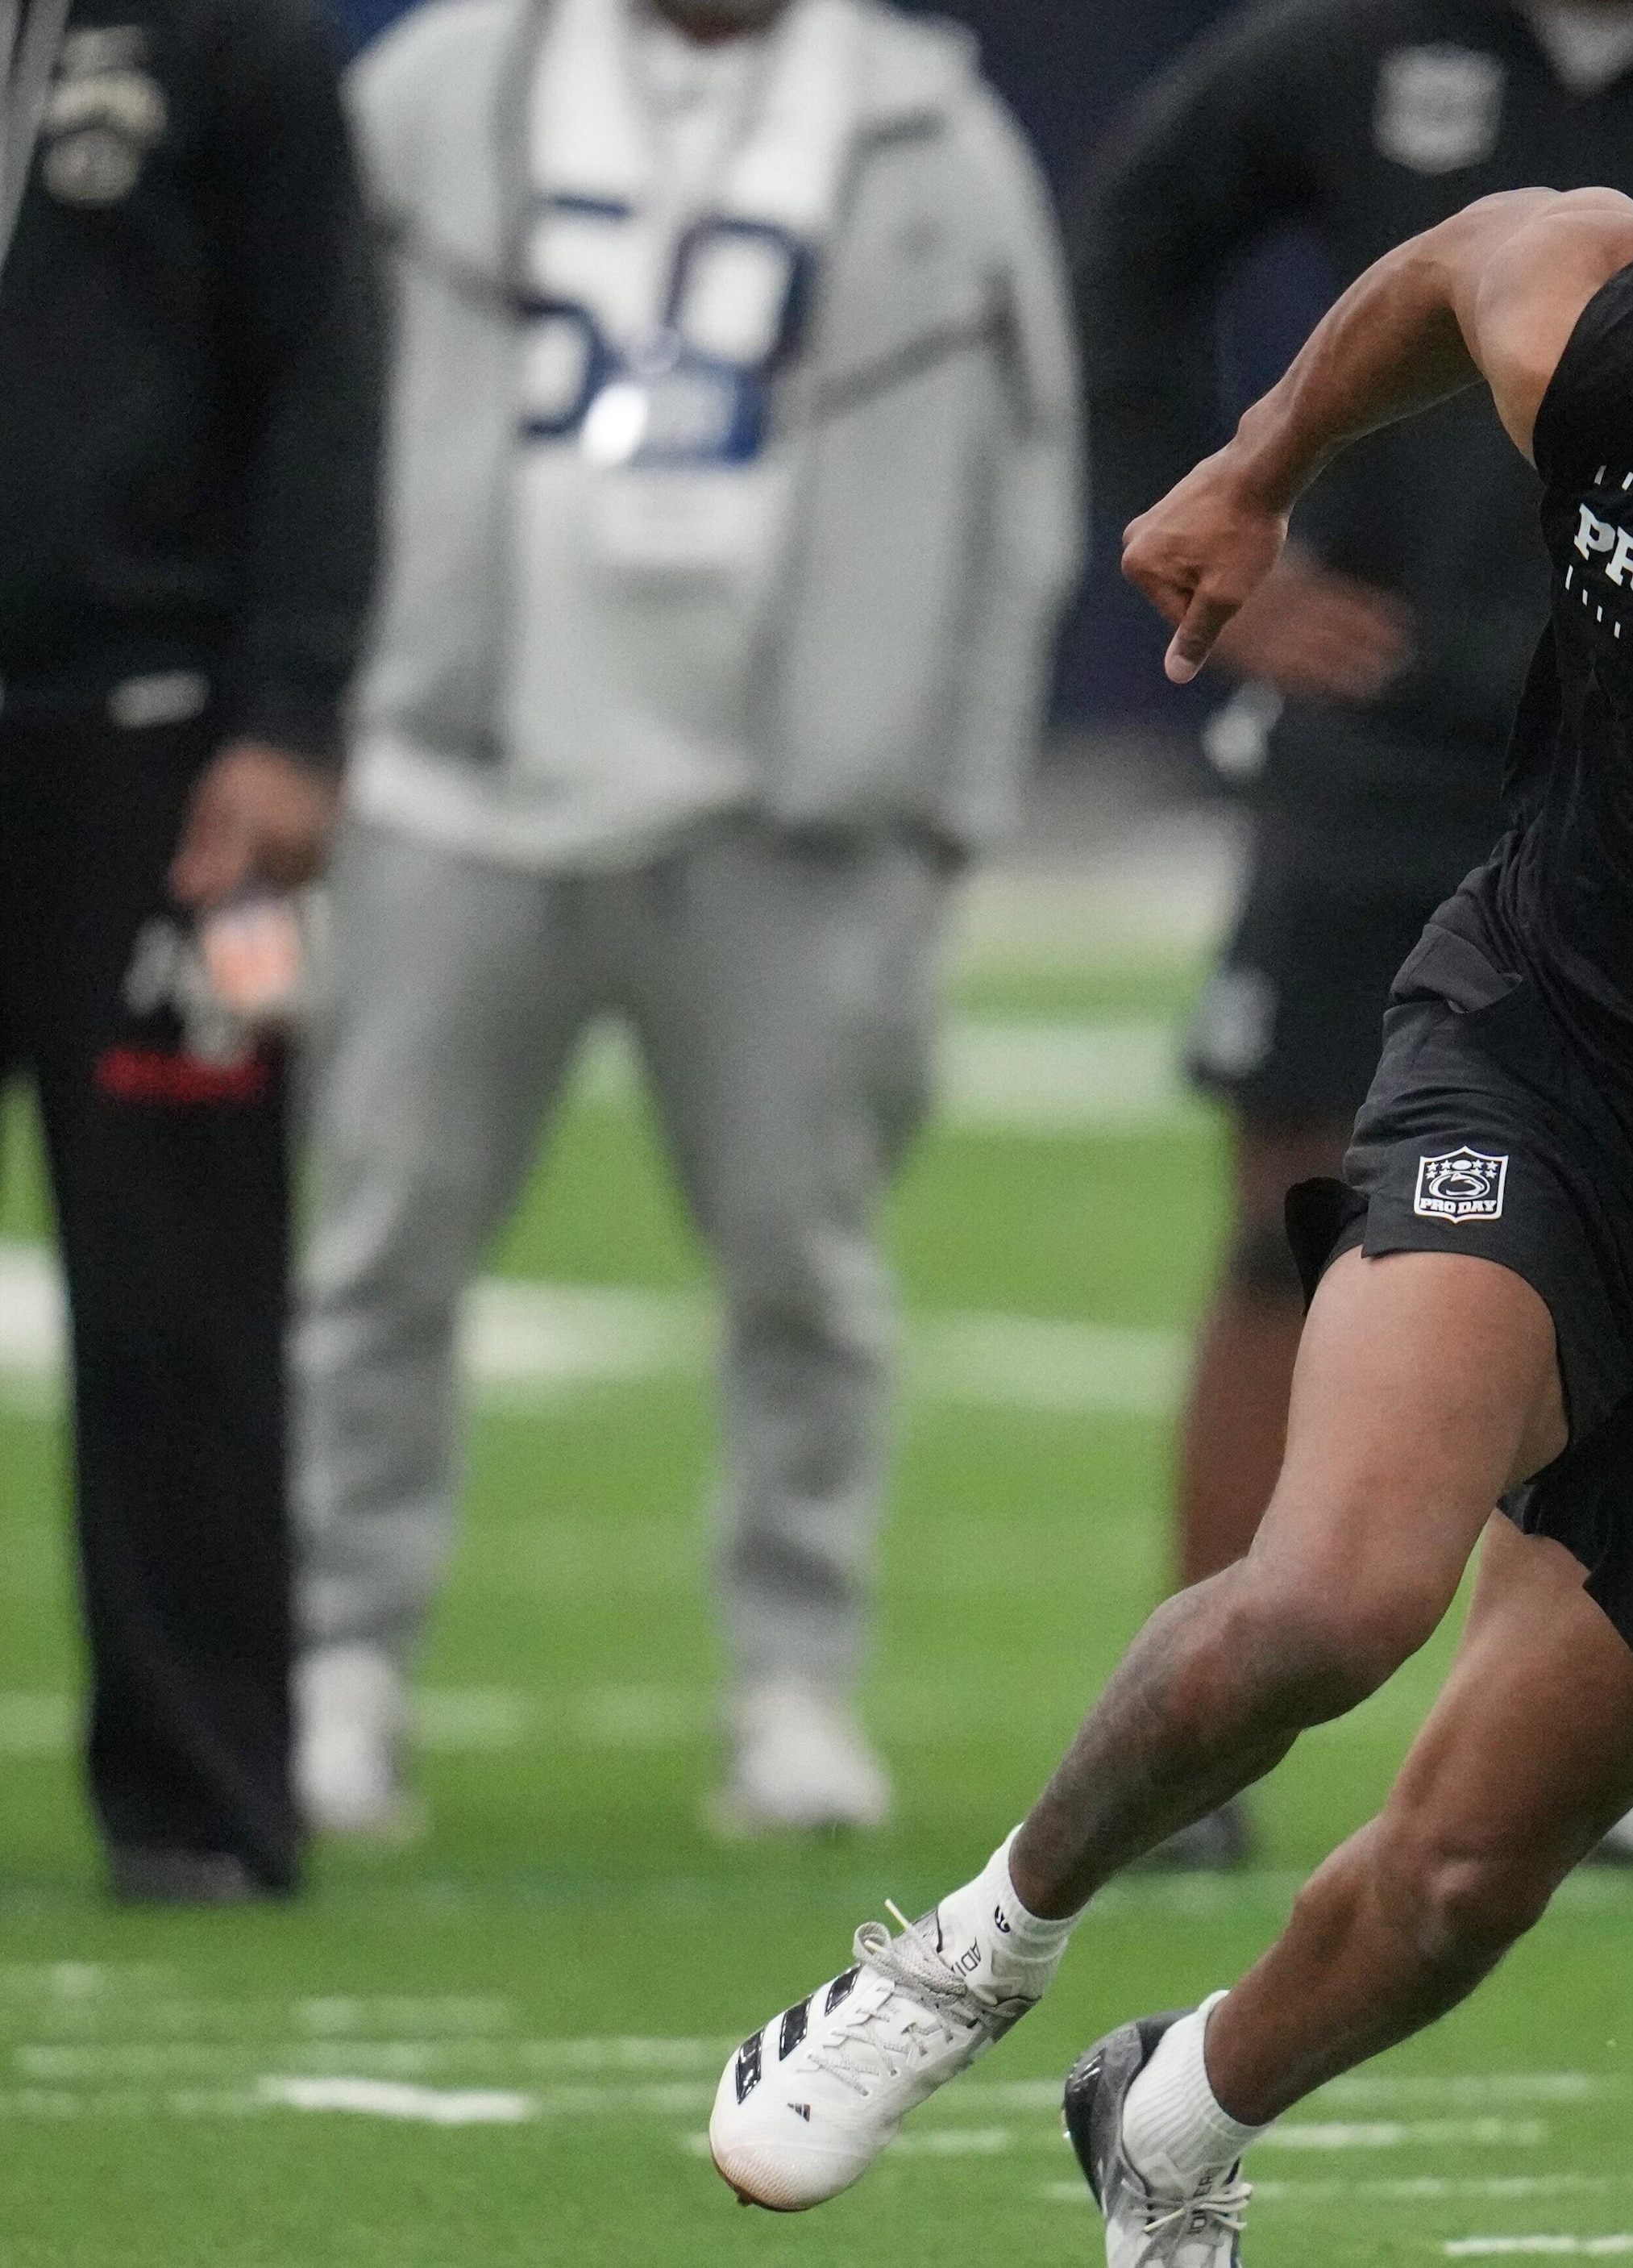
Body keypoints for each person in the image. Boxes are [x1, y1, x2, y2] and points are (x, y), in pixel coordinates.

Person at [701, 1, 1633, 2250]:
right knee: (1336, 1591)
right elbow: (1446, 264)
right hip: (1546, 1056)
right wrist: (1254, 462)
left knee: (1455, 1876)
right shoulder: (1621, 328)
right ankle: (965, 1950)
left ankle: (1176, 2120)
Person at [289, 0, 1079, 1840]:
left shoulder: (922, 120)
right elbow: (290, 384)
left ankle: (792, 1683)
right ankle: (339, 1661)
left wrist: (947, 784)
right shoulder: (437, 86)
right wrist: (313, 697)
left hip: (789, 795)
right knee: (378, 1247)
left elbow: (1021, 467)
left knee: (807, 1264)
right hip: (455, 769)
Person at [1074, 0, 1633, 1875]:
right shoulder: (1357, 45)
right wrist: (1220, 511)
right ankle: (1197, 1741)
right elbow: (1137, 231)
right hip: (1393, 729)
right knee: (1287, 1214)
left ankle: (1548, 1739)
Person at [0, 0, 379, 1904]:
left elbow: (325, 370)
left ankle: (199, 1793)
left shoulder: (231, 37)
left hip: (156, 761)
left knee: (185, 1283)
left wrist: (295, 715)